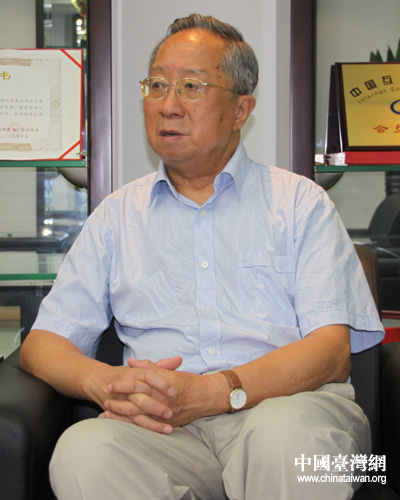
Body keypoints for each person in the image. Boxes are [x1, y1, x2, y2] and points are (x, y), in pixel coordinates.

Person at [20, 13, 384, 500]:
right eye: (157, 86)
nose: (168, 105)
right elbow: (43, 344)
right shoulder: (116, 217)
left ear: (240, 109)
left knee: (283, 439)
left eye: (191, 87)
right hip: (167, 431)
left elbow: (332, 352)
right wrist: (106, 383)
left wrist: (215, 392)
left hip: (295, 411)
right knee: (83, 452)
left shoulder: (300, 204)